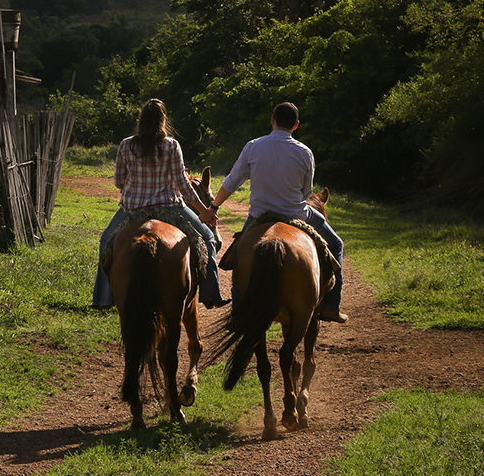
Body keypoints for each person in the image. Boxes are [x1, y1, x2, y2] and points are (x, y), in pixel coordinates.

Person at [201, 102, 347, 323]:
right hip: (298, 214)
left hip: (259, 215)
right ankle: (331, 305)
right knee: (336, 244)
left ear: (272, 120)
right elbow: (307, 192)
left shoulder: (253, 146)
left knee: (240, 256)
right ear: (296, 125)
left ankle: (239, 309)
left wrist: (213, 207)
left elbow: (232, 181)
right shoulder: (305, 152)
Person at [91, 99, 227, 310]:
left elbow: (119, 181)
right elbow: (183, 185)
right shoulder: (172, 145)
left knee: (106, 241)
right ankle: (210, 293)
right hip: (170, 208)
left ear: (141, 120)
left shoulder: (126, 144)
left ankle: (102, 298)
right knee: (207, 238)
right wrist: (204, 212)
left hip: (132, 209)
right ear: (163, 120)